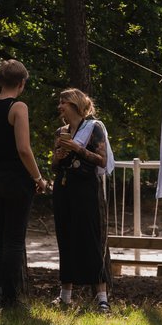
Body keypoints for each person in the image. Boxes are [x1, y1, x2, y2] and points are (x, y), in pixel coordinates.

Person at [0, 60, 47, 308]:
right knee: (14, 240)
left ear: (0, 80)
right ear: (22, 83)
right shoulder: (18, 107)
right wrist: (38, 178)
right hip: (15, 180)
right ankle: (10, 298)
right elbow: (24, 149)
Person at [51, 88, 115, 313]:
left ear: (75, 105)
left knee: (90, 239)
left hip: (86, 189)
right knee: (65, 238)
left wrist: (77, 148)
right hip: (64, 188)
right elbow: (54, 166)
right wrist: (58, 156)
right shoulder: (61, 131)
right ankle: (65, 296)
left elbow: (102, 160)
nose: (60, 106)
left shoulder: (93, 127)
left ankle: (102, 298)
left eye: (64, 102)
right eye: (60, 102)